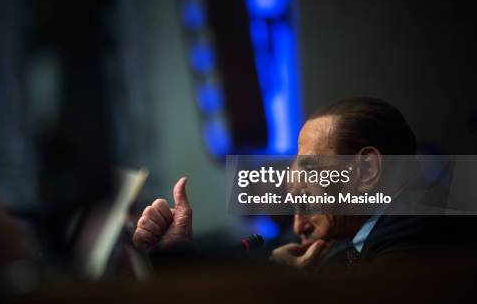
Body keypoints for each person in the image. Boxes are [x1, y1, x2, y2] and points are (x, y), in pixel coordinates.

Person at [133, 97, 472, 270]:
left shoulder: (418, 238)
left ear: (367, 169)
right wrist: (177, 253)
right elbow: (256, 257)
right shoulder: (353, 236)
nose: (295, 185)